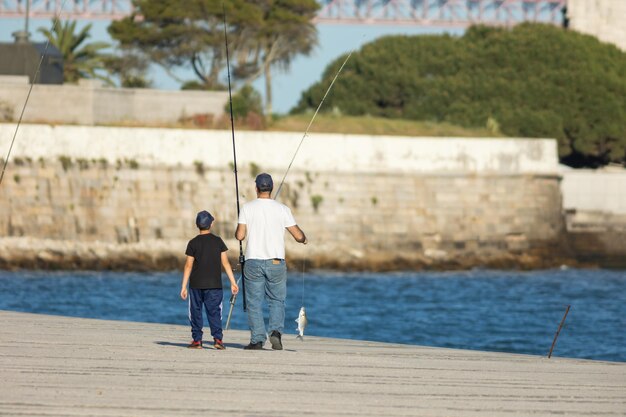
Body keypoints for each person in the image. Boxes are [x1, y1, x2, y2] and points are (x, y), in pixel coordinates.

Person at [235, 173, 307, 350]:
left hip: (253, 261)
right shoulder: (283, 209)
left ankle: (258, 339)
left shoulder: (247, 208)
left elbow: (240, 235)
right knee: (277, 300)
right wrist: (304, 239)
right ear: (271, 188)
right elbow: (298, 236)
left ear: (256, 188)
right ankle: (275, 332)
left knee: (254, 302)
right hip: (276, 262)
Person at [181, 210, 239, 350]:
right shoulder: (218, 241)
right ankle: (218, 339)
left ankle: (197, 340)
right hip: (214, 285)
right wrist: (233, 282)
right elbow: (225, 263)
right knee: (214, 312)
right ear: (211, 224)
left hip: (196, 284)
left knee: (195, 312)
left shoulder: (193, 243)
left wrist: (183, 286)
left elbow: (188, 266)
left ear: (197, 225)